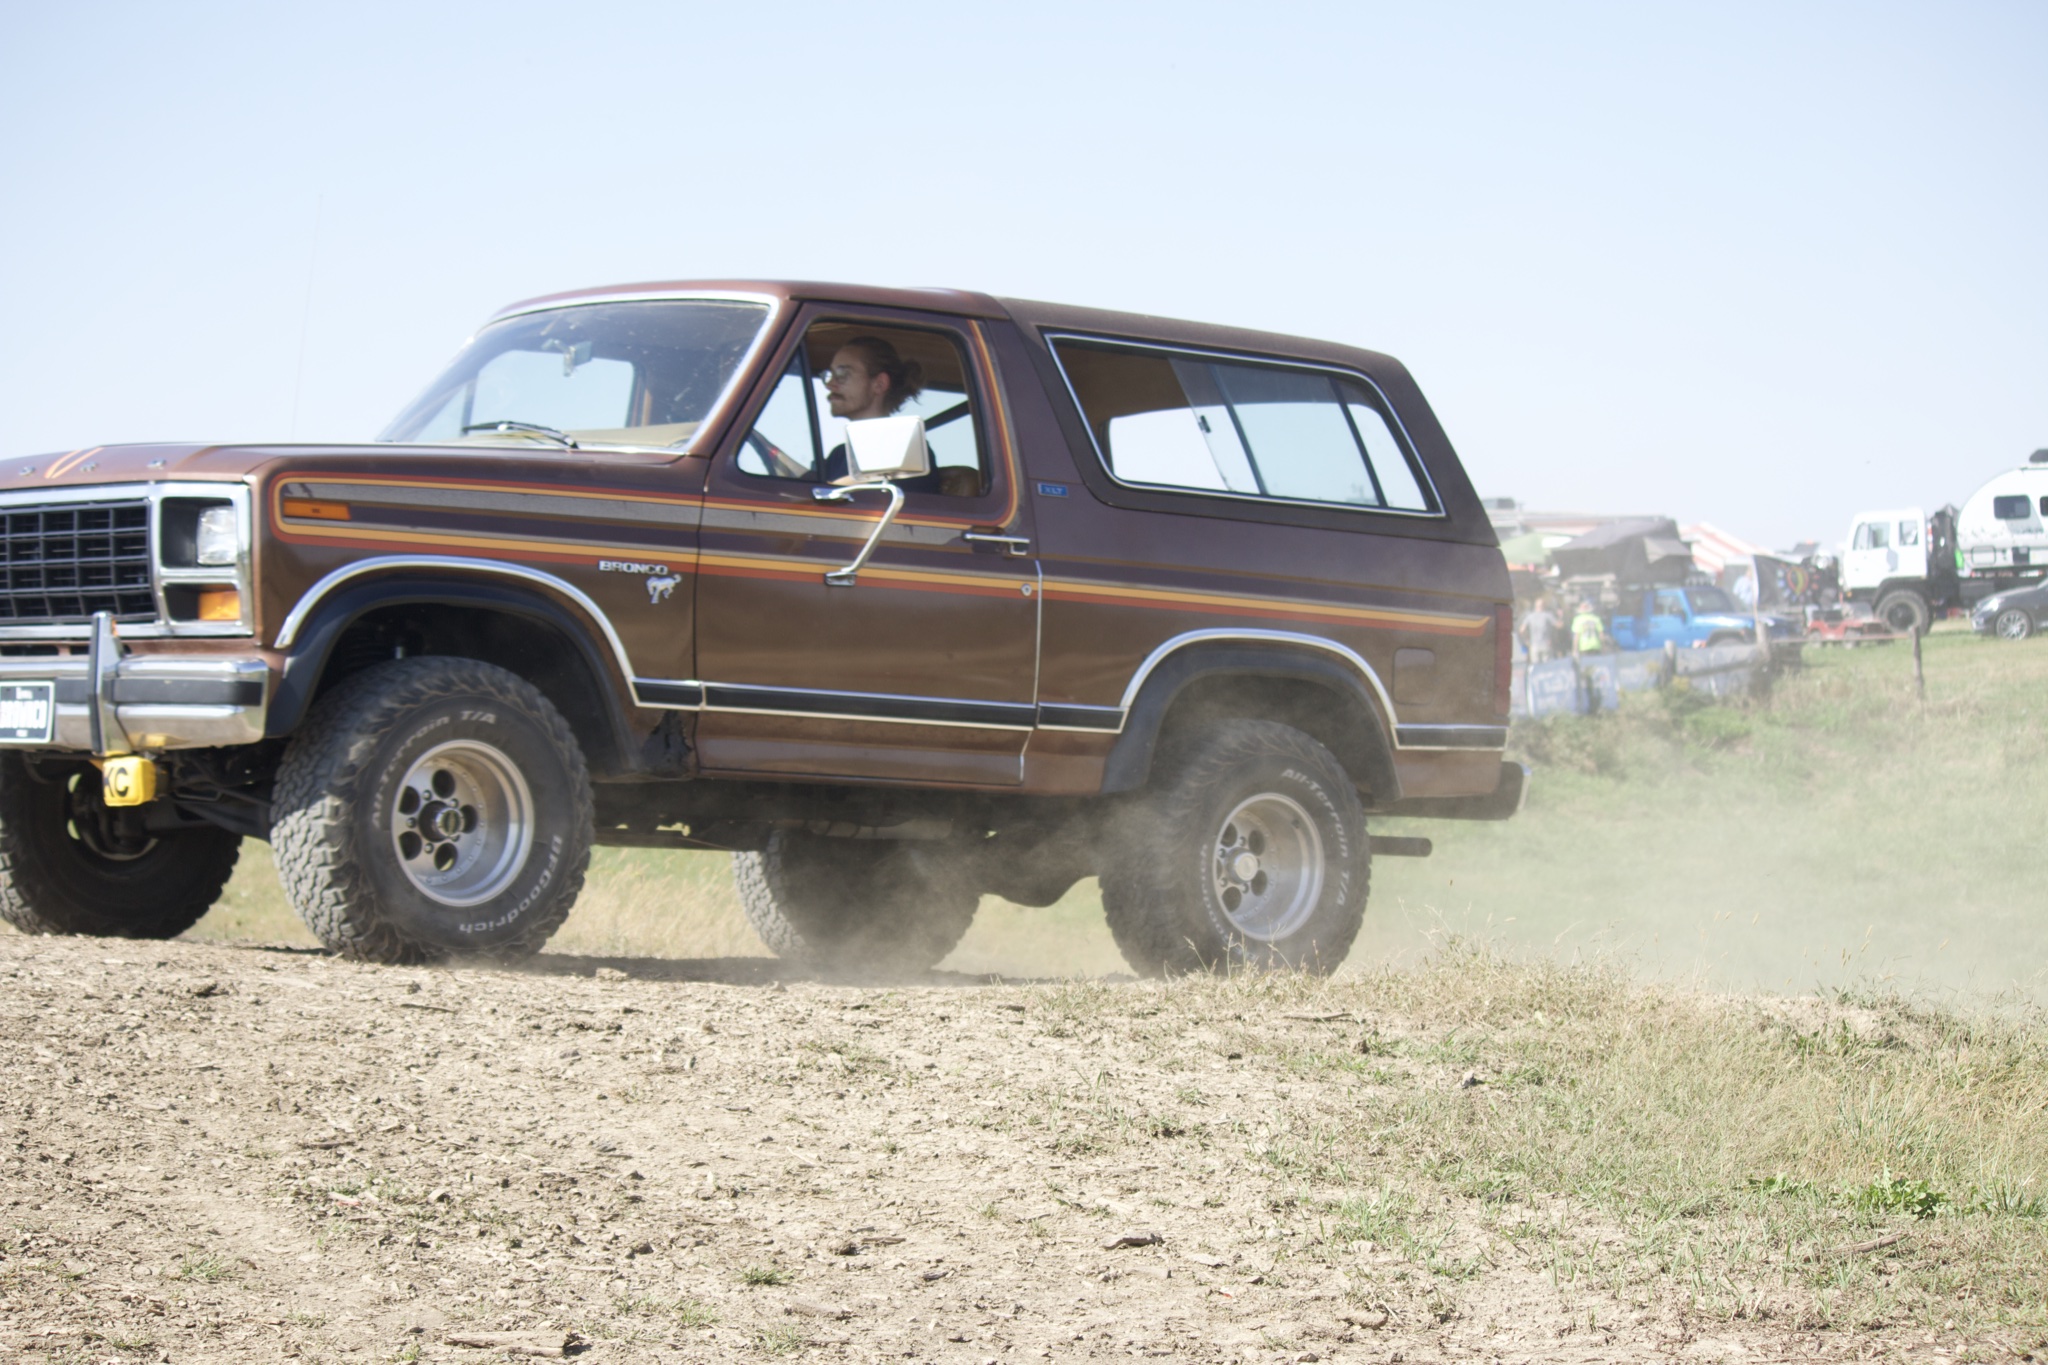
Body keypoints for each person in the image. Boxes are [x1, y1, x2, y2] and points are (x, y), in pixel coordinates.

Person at [817, 336, 947, 493]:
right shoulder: (839, 455)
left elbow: (880, 494)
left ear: (879, 384)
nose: (830, 384)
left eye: (842, 374)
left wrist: (832, 489)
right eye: (830, 374)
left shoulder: (907, 450)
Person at [1520, 598, 1558, 665]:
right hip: (1546, 644)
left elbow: (1522, 630)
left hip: (1534, 645)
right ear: (1544, 606)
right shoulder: (1548, 615)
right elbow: (1557, 625)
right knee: (1547, 665)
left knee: (1535, 666)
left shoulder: (1530, 616)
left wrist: (1527, 640)